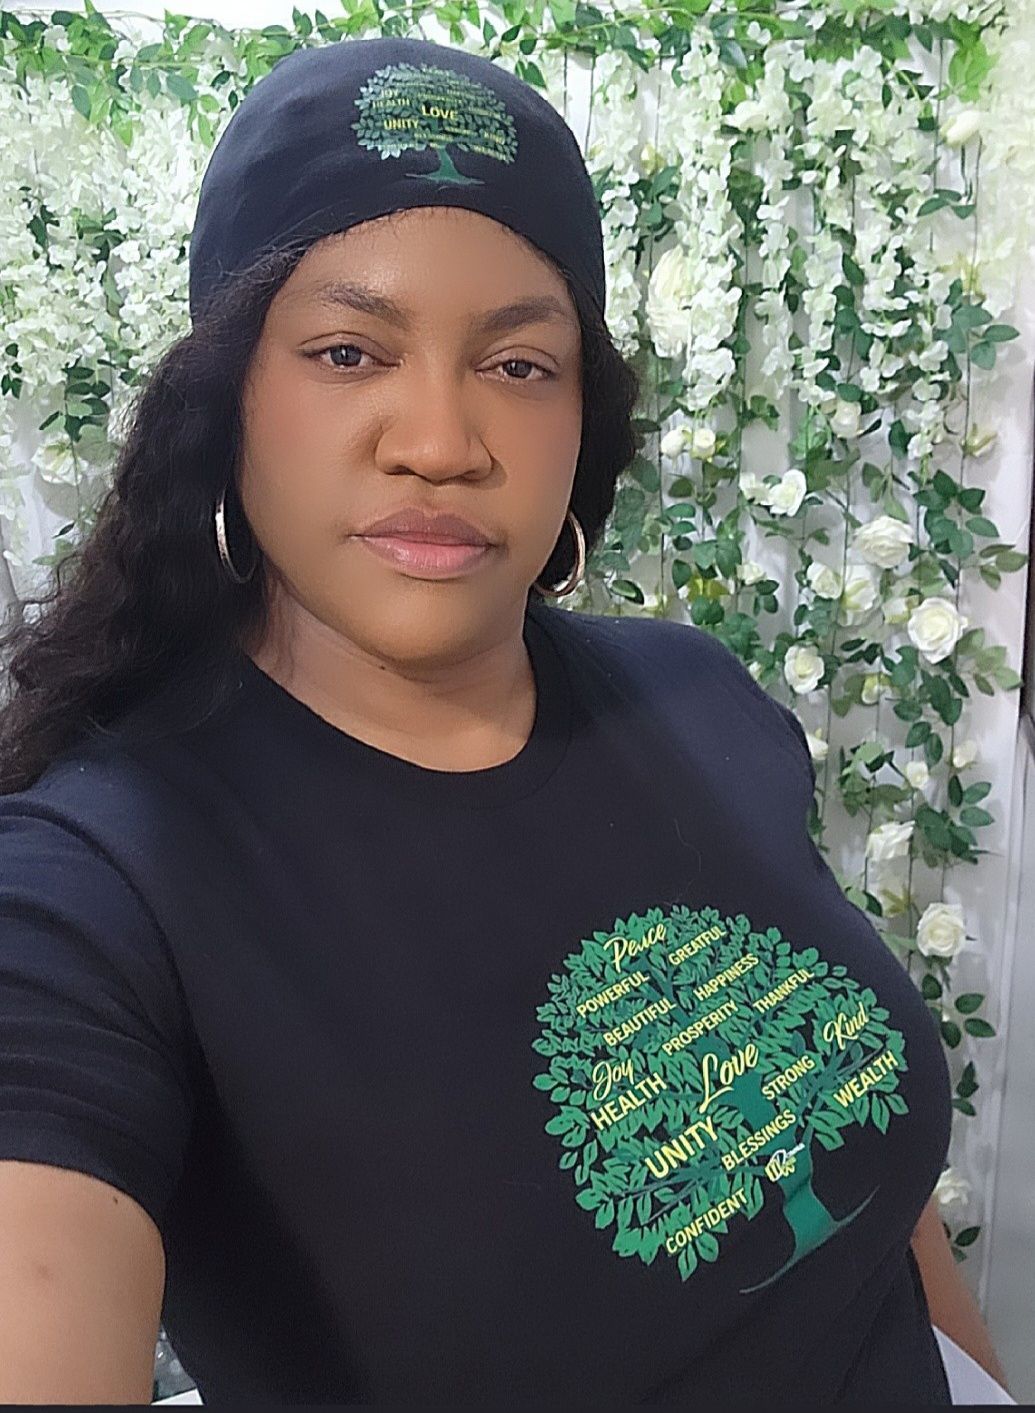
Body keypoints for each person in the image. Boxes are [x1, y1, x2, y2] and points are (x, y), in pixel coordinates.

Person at [0, 33, 1011, 1405]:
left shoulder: (695, 694)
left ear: (582, 416)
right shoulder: (92, 889)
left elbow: (861, 1180)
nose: (440, 437)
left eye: (519, 364)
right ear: (226, 396)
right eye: (350, 350)